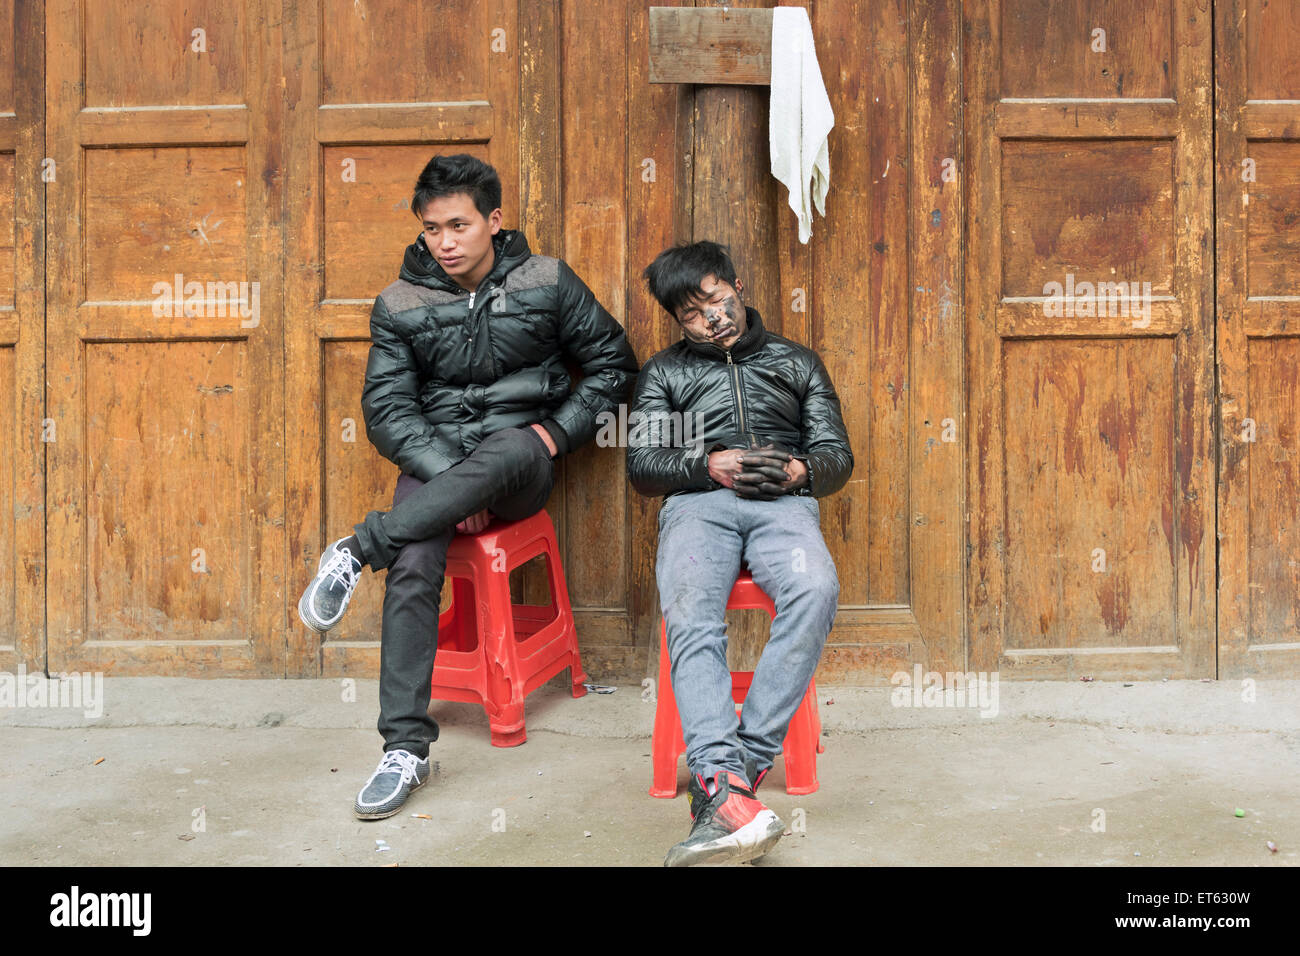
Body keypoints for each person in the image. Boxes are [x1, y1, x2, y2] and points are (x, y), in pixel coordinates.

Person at [298, 154, 638, 820]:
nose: (445, 242)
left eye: (458, 225)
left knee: (509, 446)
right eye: (432, 229)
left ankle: (357, 549)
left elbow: (613, 364)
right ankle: (404, 748)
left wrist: (555, 434)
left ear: (494, 220)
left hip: (521, 465)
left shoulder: (547, 281)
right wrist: (451, 481)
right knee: (417, 560)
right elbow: (388, 411)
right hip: (434, 467)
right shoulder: (398, 303)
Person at [629, 240, 853, 866]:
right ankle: (727, 785)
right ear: (680, 321)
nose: (714, 318)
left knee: (815, 589)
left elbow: (839, 457)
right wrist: (708, 464)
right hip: (698, 506)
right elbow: (643, 466)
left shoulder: (796, 361)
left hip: (784, 506)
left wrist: (800, 471)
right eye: (695, 314)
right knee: (691, 610)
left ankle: (730, 781)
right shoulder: (665, 373)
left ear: (736, 285)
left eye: (718, 299)